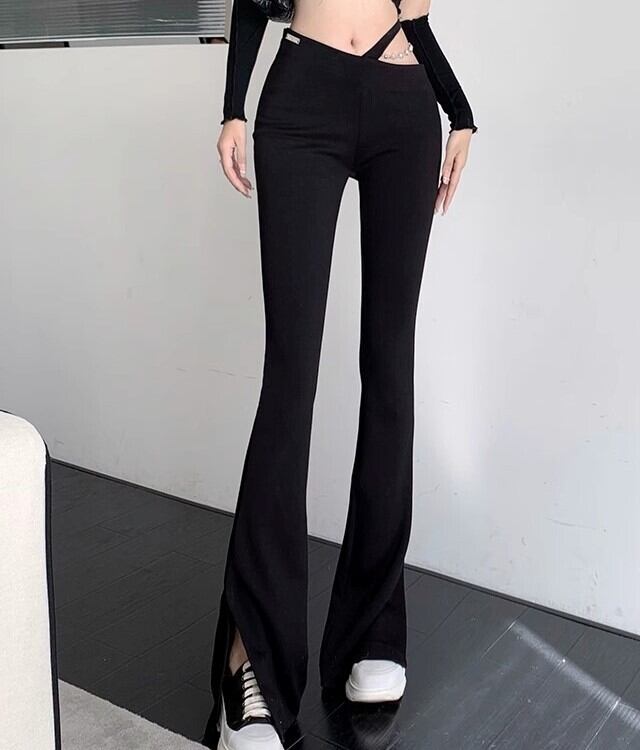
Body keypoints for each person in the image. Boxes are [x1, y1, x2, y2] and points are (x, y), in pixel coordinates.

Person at [201, 1, 477, 748]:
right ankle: (250, 665)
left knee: (390, 369)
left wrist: (460, 112)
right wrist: (232, 107)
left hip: (404, 102)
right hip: (304, 94)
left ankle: (373, 625)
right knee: (290, 378)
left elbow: (414, 16)